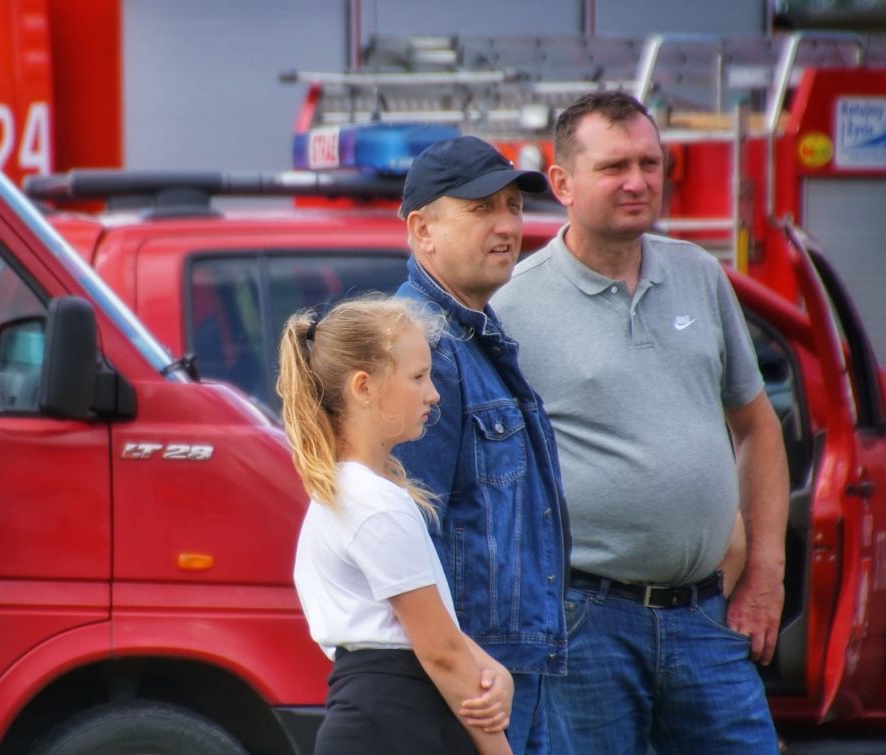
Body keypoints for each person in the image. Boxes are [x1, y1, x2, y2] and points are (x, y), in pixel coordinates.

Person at [492, 90, 789, 753]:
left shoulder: (699, 275)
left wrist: (765, 571)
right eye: (615, 166)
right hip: (583, 620)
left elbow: (757, 425)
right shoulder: (514, 306)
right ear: (562, 183)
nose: (638, 182)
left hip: (707, 614)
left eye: (651, 163)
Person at [389, 136, 572, 754]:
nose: (507, 226)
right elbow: (412, 540)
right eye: (480, 209)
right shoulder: (424, 348)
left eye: (513, 207)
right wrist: (469, 680)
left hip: (507, 670)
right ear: (422, 231)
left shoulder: (475, 332)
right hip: (475, 684)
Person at [279, 297, 513, 755]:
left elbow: (425, 629)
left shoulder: (351, 493)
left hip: (384, 716)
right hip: (396, 721)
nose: (434, 393)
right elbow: (439, 650)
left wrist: (491, 670)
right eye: (417, 377)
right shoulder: (373, 503)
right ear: (363, 387)